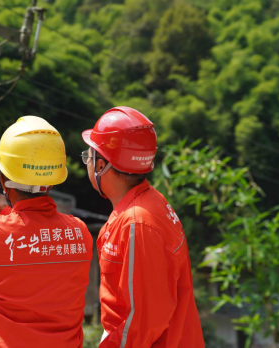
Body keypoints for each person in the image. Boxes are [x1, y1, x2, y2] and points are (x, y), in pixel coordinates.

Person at [0, 116, 93, 348]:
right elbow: (32, 242)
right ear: (52, 182)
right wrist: (7, 212)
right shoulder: (79, 232)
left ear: (2, 178)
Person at [81, 106, 205, 347]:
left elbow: (140, 324)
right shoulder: (150, 202)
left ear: (101, 165)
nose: (87, 161)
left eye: (89, 155)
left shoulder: (137, 224)